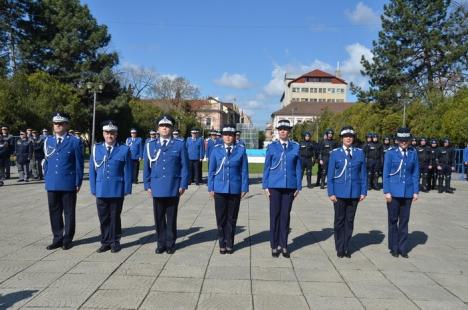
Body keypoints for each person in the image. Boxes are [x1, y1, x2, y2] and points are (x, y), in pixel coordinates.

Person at [144, 115, 189, 254]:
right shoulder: (150, 145)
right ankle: (160, 243)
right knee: (158, 218)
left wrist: (183, 184)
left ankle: (170, 243)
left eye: (167, 126)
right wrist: (147, 184)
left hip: (172, 185)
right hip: (157, 186)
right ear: (158, 128)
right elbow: (146, 167)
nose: (164, 128)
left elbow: (184, 167)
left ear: (172, 128)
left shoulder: (179, 144)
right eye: (162, 126)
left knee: (171, 217)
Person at [43, 112, 84, 250]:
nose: (58, 126)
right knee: (54, 211)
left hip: (68, 182)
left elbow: (79, 163)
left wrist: (78, 181)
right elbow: (47, 161)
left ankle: (67, 238)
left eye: (61, 124)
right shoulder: (48, 140)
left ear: (66, 125)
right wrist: (47, 178)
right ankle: (57, 238)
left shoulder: (74, 141)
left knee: (69, 212)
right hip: (52, 182)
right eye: (55, 123)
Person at [89, 121, 132, 253]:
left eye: (112, 133)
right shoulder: (96, 149)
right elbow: (92, 170)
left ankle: (115, 242)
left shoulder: (124, 149)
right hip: (101, 188)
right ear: (103, 134)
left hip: (116, 189)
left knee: (115, 217)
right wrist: (93, 188)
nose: (109, 135)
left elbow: (128, 171)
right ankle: (105, 242)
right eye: (107, 133)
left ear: (116, 134)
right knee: (103, 217)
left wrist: (126, 189)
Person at [263, 119, 301, 258]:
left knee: (285, 216)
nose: (283, 131)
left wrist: (298, 186)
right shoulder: (272, 147)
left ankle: (284, 244)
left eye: (286, 129)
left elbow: (298, 167)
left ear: (289, 131)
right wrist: (265, 185)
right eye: (281, 129)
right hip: (274, 186)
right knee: (275, 216)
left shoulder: (295, 147)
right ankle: (274, 245)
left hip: (290, 186)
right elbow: (267, 167)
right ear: (278, 131)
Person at [208, 124, 249, 254]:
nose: (228, 137)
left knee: (232, 218)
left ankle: (230, 243)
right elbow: (211, 170)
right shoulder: (216, 150)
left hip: (235, 189)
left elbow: (244, 171)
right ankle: (222, 242)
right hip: (219, 188)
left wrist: (244, 188)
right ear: (222, 136)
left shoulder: (241, 150)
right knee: (220, 218)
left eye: (230, 135)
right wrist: (210, 187)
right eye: (225, 135)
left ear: (235, 137)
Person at [327, 126, 367, 258]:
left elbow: (363, 174)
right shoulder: (335, 153)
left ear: (353, 138)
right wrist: (331, 192)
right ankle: (339, 247)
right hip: (339, 193)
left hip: (354, 192)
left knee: (349, 221)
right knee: (339, 221)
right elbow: (331, 174)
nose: (348, 138)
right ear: (342, 139)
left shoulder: (359, 153)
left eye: (350, 136)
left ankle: (346, 246)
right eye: (346, 136)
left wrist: (363, 191)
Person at [383, 127, 419, 258]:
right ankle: (393, 247)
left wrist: (416, 191)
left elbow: (415, 173)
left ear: (409, 141)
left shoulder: (413, 153)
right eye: (401, 140)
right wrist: (386, 191)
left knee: (404, 221)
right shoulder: (390, 153)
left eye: (406, 140)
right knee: (393, 220)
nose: (403, 142)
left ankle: (403, 248)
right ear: (397, 140)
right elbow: (386, 173)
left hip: (408, 192)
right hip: (393, 192)